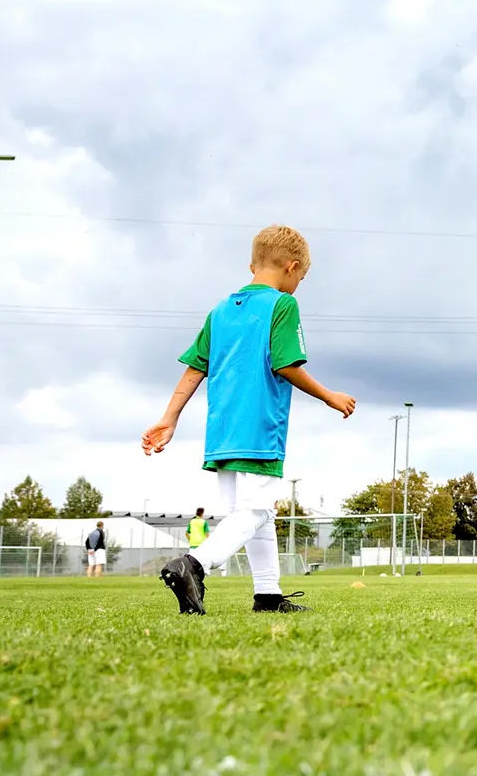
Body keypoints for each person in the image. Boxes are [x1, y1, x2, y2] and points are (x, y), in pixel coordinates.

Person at [145, 226, 357, 614]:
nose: (298, 287)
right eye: (301, 279)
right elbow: (287, 364)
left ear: (252, 265)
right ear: (293, 268)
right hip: (259, 426)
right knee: (257, 510)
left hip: (221, 430)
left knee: (257, 514)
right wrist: (330, 396)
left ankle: (268, 595)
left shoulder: (221, 310)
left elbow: (196, 367)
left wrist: (169, 419)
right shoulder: (281, 305)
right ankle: (193, 565)